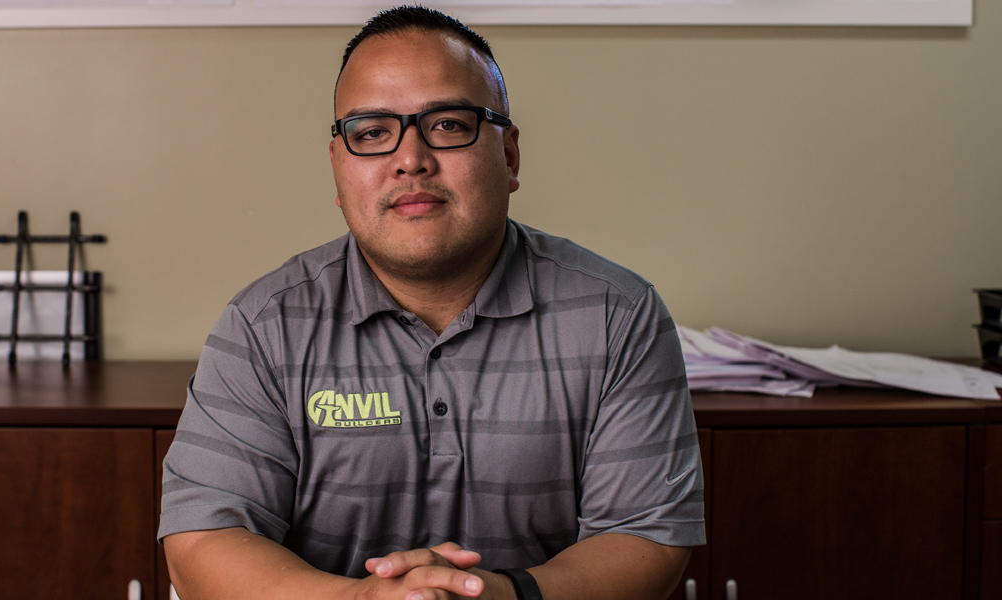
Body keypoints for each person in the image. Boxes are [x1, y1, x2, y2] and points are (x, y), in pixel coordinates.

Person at [159, 6, 704, 599]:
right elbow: (201, 543)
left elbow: (645, 536)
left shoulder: (617, 315)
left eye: (447, 124)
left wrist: (499, 595)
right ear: (339, 170)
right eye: (371, 132)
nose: (411, 158)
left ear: (511, 156)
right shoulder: (264, 328)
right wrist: (363, 599)